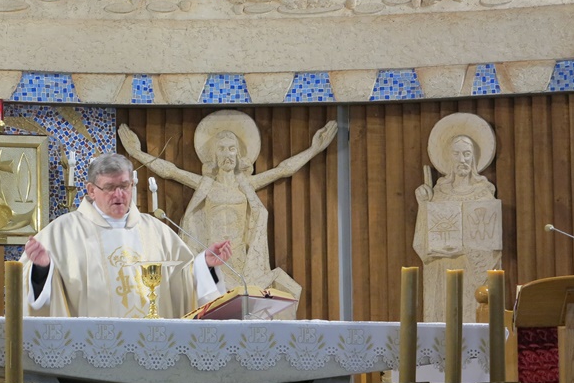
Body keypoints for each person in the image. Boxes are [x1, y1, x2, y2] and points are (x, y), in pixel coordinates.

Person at [119, 111, 337, 301]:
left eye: (231, 149)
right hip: (213, 259)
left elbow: (283, 170)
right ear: (214, 155)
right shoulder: (207, 185)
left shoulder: (246, 185)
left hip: (240, 261)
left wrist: (314, 149)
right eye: (222, 149)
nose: (227, 154)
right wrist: (137, 153)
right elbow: (171, 171)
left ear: (238, 153)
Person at [20, 152, 232, 318]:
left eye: (124, 186)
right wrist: (42, 269)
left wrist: (205, 264)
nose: (119, 195)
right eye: (110, 187)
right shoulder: (63, 231)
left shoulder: (155, 231)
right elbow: (31, 292)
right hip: (90, 345)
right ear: (91, 190)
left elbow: (183, 280)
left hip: (150, 342)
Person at [413, 114, 501, 323]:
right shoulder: (439, 193)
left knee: (472, 318)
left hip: (473, 272)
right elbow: (423, 244)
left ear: (474, 157)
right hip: (443, 268)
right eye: (457, 154)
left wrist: (466, 250)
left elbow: (492, 247)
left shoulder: (483, 193)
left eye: (467, 154)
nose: (462, 160)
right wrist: (424, 206)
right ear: (449, 157)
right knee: (444, 320)